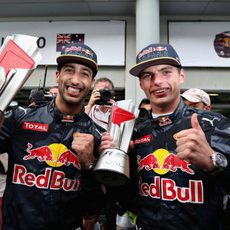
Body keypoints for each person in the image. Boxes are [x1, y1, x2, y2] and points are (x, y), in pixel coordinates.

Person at [100, 43, 230, 230]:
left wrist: (214, 162)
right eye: (147, 76)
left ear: (181, 76)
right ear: (141, 84)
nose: (157, 81)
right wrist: (114, 165)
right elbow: (127, 199)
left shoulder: (212, 124)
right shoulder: (134, 131)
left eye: (166, 72)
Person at [0, 42, 104, 230]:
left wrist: (88, 166)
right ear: (58, 76)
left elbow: (95, 207)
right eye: (69, 70)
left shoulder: (98, 136)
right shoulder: (19, 118)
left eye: (84, 74)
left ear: (92, 83)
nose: (75, 80)